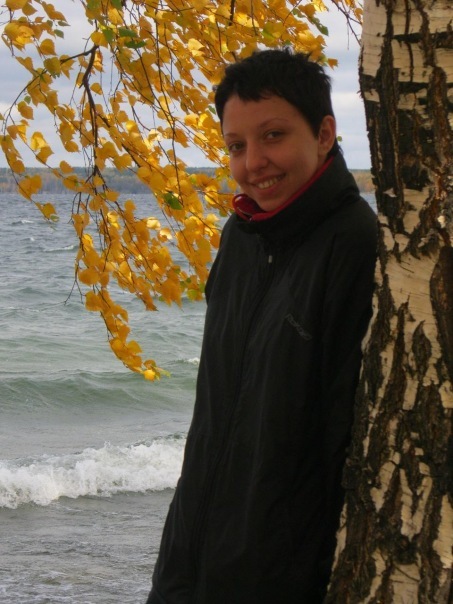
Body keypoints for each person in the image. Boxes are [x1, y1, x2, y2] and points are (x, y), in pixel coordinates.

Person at [146, 48, 377, 604]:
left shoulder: (357, 245)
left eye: (273, 136)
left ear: (324, 134)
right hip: (188, 555)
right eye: (236, 146)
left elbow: (342, 441)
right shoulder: (241, 235)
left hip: (278, 574)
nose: (253, 163)